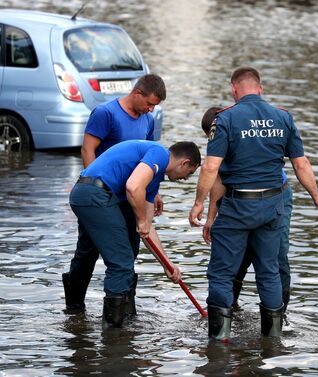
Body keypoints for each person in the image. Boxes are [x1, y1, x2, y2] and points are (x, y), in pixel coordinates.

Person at [189, 67, 318, 340]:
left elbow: (211, 168)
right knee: (269, 271)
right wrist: (317, 196)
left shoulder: (225, 119)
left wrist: (199, 203)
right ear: (260, 88)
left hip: (237, 206)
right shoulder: (283, 117)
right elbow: (301, 163)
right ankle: (273, 342)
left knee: (222, 273)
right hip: (272, 205)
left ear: (234, 90)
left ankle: (220, 343)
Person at [67, 139, 201, 327]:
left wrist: (167, 264)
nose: (186, 178)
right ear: (184, 163)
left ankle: (73, 314)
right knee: (121, 262)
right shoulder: (160, 154)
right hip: (96, 195)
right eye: (190, 173)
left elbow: (147, 228)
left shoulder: (154, 178)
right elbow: (133, 186)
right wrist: (140, 219)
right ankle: (114, 335)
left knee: (86, 254)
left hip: (84, 192)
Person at [62, 74, 166, 314]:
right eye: (149, 103)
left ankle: (125, 309)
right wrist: (92, 183)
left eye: (154, 106)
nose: (151, 110)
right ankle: (75, 308)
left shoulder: (146, 120)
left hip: (130, 196)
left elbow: (148, 158)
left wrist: (155, 192)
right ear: (137, 93)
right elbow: (88, 149)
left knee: (129, 249)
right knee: (87, 250)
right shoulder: (105, 113)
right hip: (101, 195)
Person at [200, 107, 293, 313]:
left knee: (276, 257)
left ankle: (280, 311)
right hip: (240, 196)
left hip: (276, 195)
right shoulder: (225, 135)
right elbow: (218, 177)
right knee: (235, 254)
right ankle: (230, 306)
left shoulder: (237, 130)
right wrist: (210, 218)